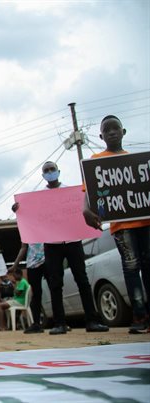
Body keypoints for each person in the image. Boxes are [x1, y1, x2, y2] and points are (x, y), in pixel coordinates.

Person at [18, 161, 108, 335]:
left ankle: (92, 320)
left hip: (73, 241)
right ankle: (59, 323)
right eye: (46, 170)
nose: (50, 172)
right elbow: (30, 216)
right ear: (42, 175)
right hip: (52, 245)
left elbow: (86, 209)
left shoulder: (73, 193)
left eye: (52, 169)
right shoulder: (39, 198)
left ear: (58, 171)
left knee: (82, 279)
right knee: (55, 283)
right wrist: (19, 209)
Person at [83, 115, 150, 334]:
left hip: (145, 223)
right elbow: (89, 192)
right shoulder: (96, 161)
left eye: (116, 128)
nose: (112, 132)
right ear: (101, 136)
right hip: (122, 228)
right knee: (131, 270)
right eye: (107, 129)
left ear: (124, 132)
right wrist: (86, 209)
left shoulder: (139, 161)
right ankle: (140, 316)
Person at [8, 242, 45, 334]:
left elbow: (18, 292)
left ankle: (60, 322)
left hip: (47, 260)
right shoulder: (25, 228)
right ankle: (36, 324)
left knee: (53, 289)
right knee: (36, 294)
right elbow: (23, 247)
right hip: (32, 263)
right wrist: (15, 265)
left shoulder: (22, 282)